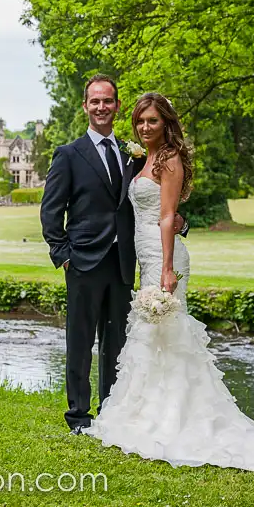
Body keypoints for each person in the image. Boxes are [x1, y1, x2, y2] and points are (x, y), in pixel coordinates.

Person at [83, 93, 254, 473]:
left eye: (152, 121)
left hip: (163, 255)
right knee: (153, 336)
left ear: (166, 123)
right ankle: (141, 412)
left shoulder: (170, 160)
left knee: (166, 332)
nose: (145, 127)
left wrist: (167, 267)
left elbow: (168, 216)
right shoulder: (144, 157)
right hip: (147, 254)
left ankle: (171, 419)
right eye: (140, 121)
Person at [40, 75, 188, 434]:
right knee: (79, 340)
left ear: (117, 105)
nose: (102, 107)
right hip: (84, 262)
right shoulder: (69, 155)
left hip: (124, 262)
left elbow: (154, 200)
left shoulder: (132, 153)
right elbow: (50, 211)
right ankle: (78, 416)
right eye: (95, 101)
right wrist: (64, 255)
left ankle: (111, 411)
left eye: (108, 101)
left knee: (116, 341)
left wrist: (180, 224)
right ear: (85, 106)